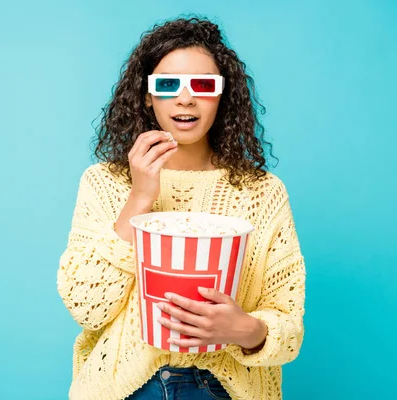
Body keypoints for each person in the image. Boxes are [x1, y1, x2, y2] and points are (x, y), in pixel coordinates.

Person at [57, 16, 305, 400]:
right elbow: (88, 308)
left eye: (203, 85)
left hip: (226, 389)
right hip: (124, 389)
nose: (185, 98)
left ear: (223, 95)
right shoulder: (104, 183)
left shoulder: (262, 193)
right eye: (167, 84)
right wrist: (140, 195)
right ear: (146, 95)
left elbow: (288, 328)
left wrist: (246, 330)